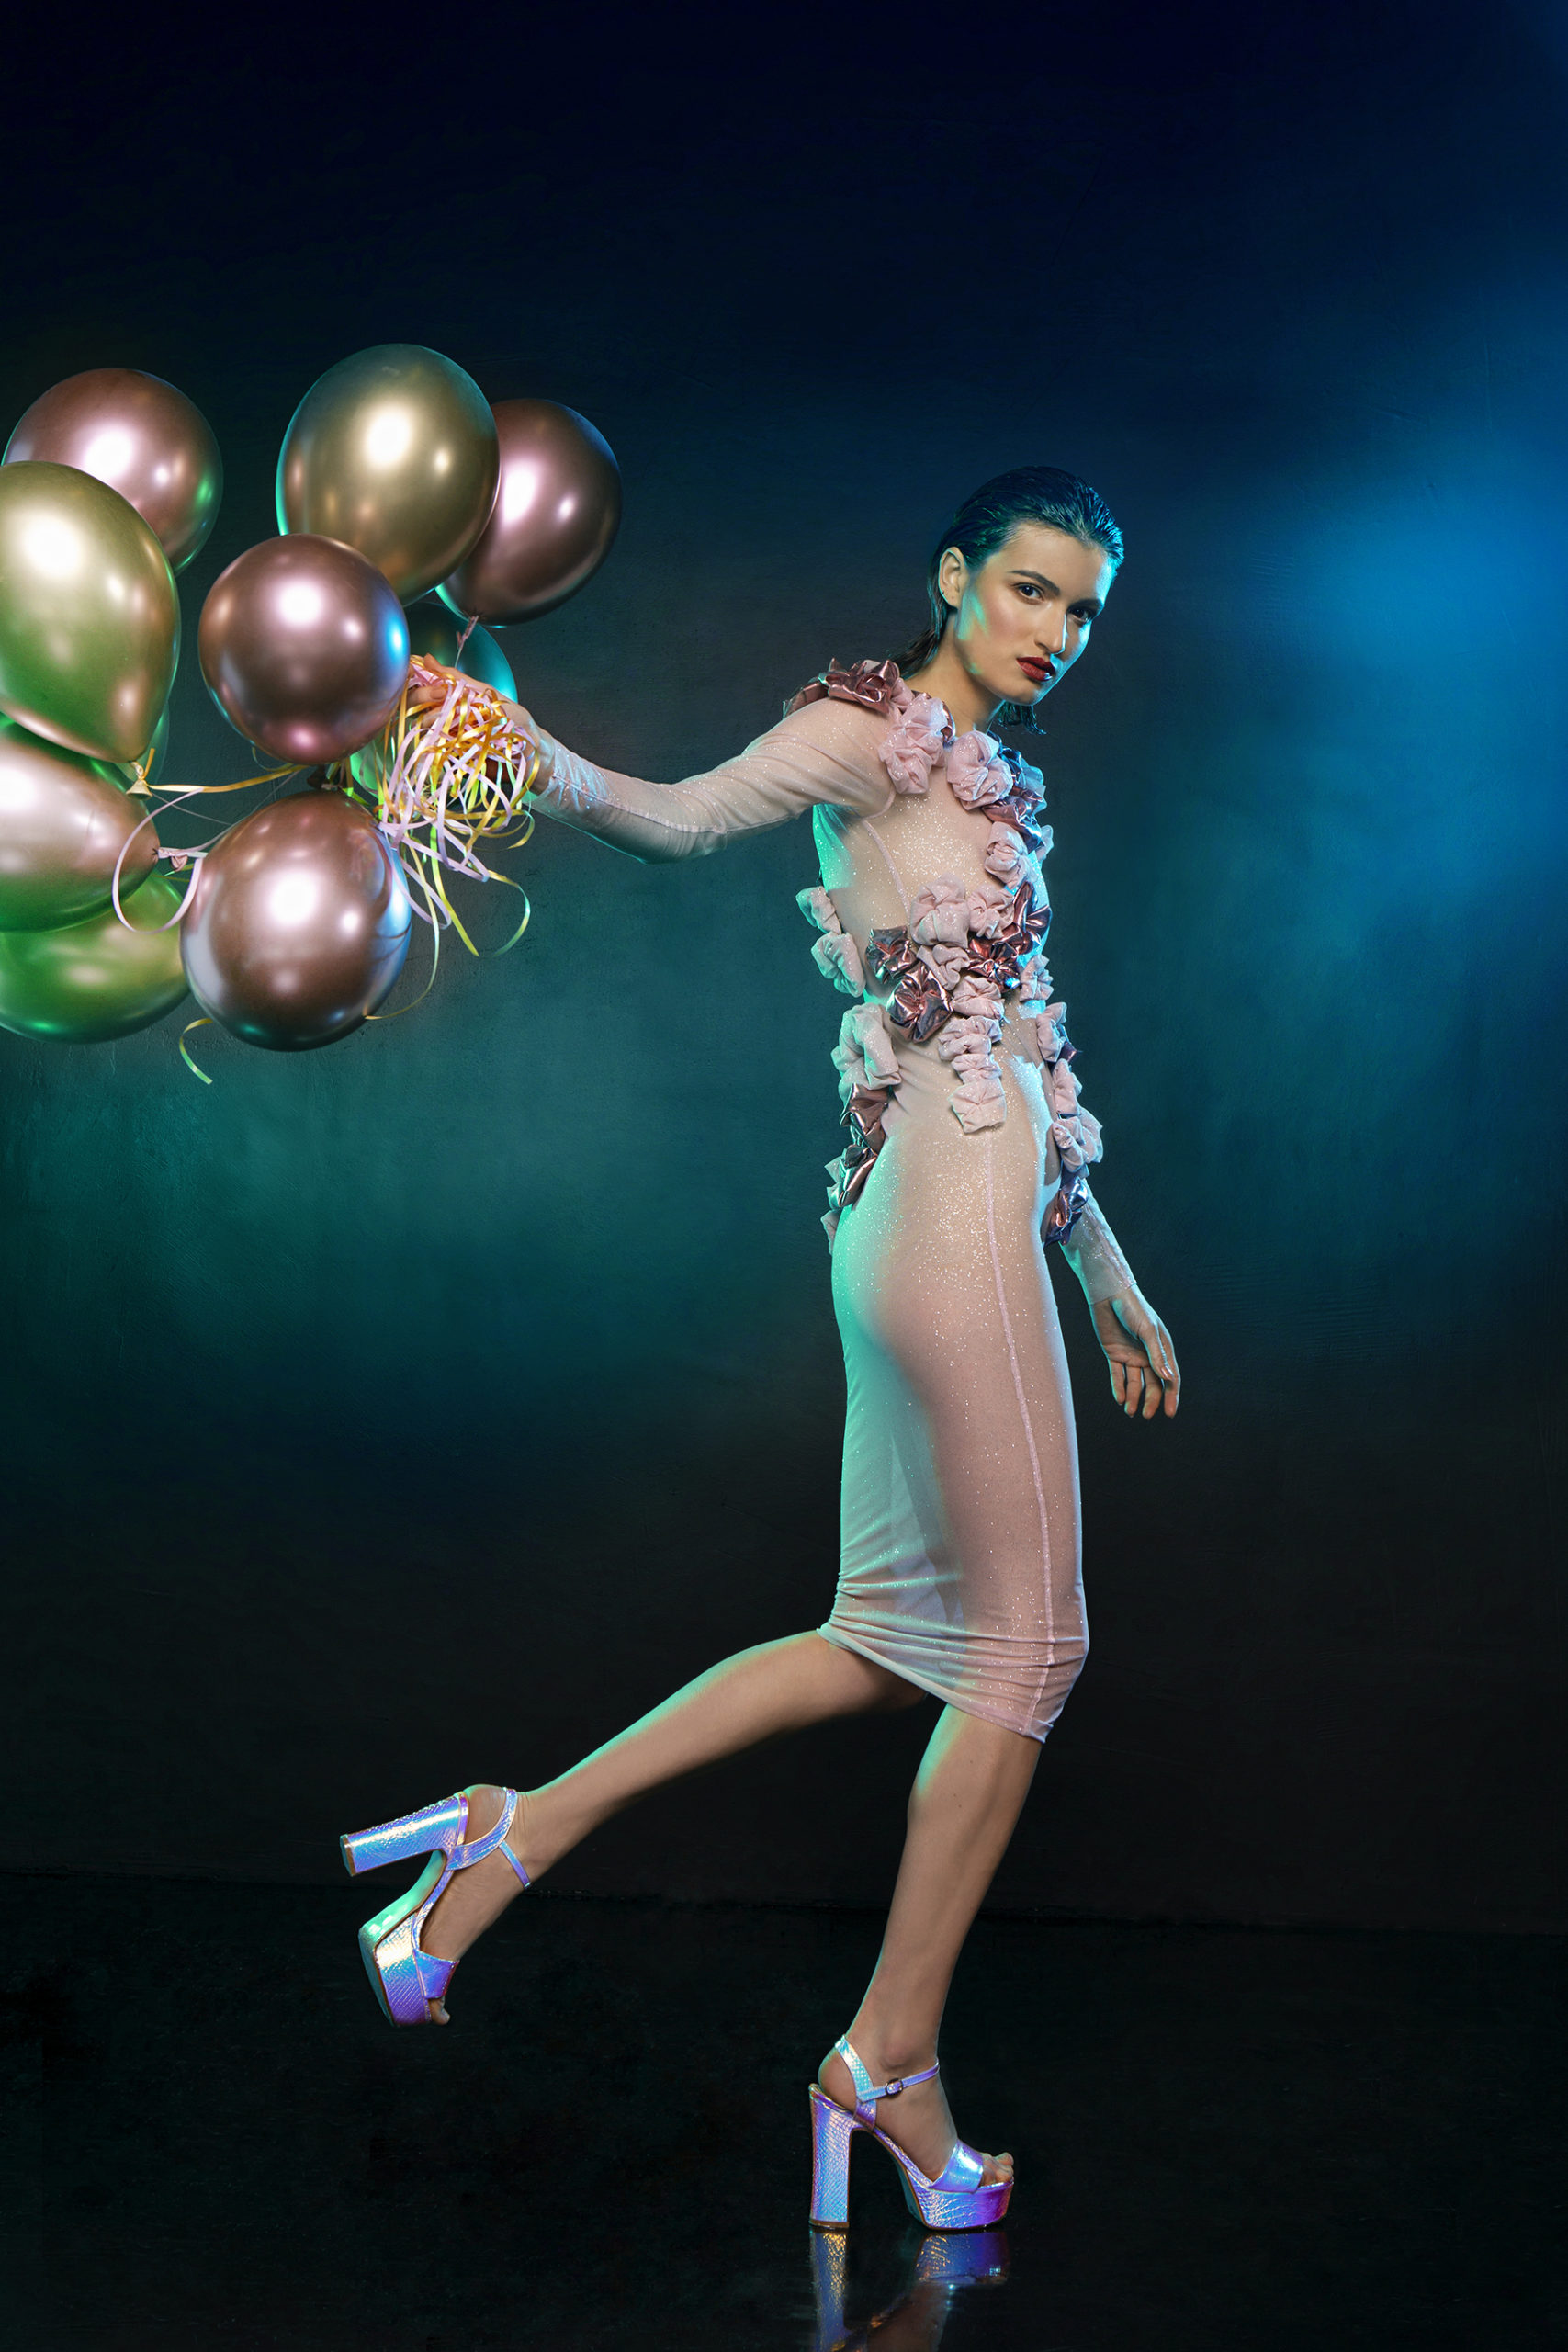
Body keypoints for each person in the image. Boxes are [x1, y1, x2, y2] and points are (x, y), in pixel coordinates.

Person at [339, 467, 1180, 2231]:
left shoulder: (1000, 783)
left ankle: (509, 1833)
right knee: (1030, 1655)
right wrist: (511, 742)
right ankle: (891, 2059)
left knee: (883, 1642)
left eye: (1082, 610)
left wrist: (1104, 1268)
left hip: (943, 1219)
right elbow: (674, 818)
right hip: (946, 1223)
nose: (1053, 632)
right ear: (953, 578)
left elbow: (1026, 1038)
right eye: (1028, 590)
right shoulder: (864, 734)